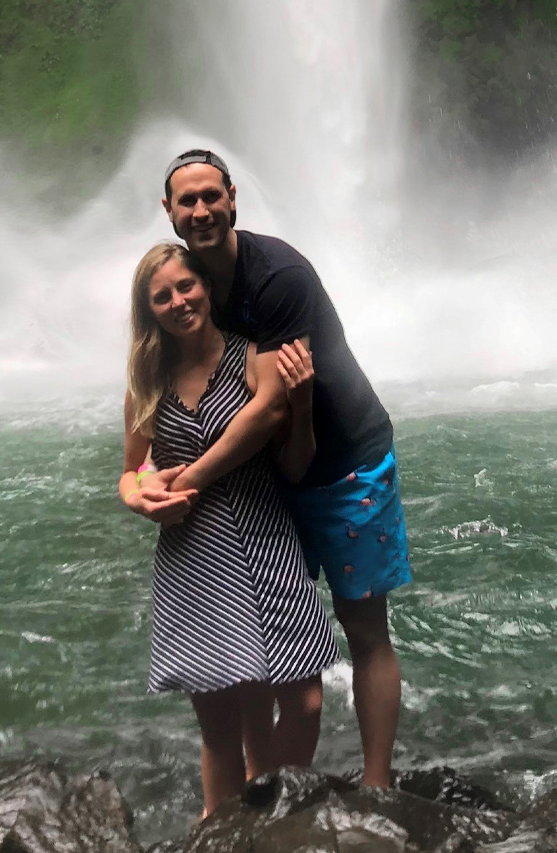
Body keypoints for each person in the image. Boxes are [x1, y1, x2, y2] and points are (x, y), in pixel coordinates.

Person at [155, 147, 410, 788]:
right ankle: (267, 784)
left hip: (346, 463)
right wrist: (141, 478)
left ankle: (378, 785)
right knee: (259, 640)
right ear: (169, 212)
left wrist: (191, 480)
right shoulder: (191, 284)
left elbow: (270, 407)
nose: (201, 209)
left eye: (212, 195)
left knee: (363, 625)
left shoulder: (278, 278)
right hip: (272, 479)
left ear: (234, 197)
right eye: (187, 200)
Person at [120, 242, 337, 814]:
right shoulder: (148, 379)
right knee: (220, 724)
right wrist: (143, 499)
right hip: (193, 555)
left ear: (207, 288)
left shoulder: (250, 359)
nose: (178, 301)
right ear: (150, 312)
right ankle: (219, 843)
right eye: (161, 296)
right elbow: (130, 470)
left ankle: (279, 816)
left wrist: (304, 402)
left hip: (265, 538)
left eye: (185, 287)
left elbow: (294, 463)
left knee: (305, 700)